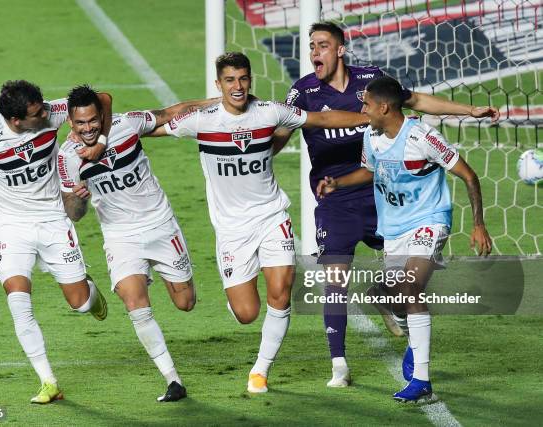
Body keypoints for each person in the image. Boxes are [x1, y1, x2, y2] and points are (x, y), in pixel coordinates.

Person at [272, 21, 500, 387]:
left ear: (341, 49)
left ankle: (405, 331)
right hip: (335, 198)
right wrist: (259, 161)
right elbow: (282, 129)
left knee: (409, 282)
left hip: (383, 196)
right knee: (335, 277)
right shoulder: (303, 91)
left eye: (323, 45)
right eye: (311, 46)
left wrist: (468, 111)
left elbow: (416, 100)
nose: (315, 52)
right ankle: (339, 365)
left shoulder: (371, 82)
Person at [150, 52, 369, 394]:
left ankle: (260, 371)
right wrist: (104, 132)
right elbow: (157, 123)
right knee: (247, 312)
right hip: (232, 229)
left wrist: (369, 118)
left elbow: (321, 120)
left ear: (250, 80)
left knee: (281, 294)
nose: (237, 87)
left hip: (271, 216)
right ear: (218, 84)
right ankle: (236, 297)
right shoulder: (203, 120)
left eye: (242, 79)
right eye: (230, 80)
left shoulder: (270, 111)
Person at [317, 75, 492, 402]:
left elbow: (468, 174)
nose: (363, 110)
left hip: (429, 219)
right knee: (401, 295)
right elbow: (371, 171)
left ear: (384, 107)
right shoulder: (372, 135)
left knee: (411, 286)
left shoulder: (423, 136)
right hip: (394, 228)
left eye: (367, 104)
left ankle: (422, 379)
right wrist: (338, 183)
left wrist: (478, 224)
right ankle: (387, 298)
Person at [0, 80, 112, 404]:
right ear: (16, 120)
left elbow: (103, 99)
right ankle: (48, 381)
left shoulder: (51, 111)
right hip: (11, 226)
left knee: (80, 303)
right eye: (37, 114)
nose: (47, 115)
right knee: (18, 303)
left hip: (52, 219)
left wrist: (98, 140)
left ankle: (91, 295)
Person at [58, 85, 216, 402]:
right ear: (71, 124)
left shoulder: (125, 125)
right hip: (121, 236)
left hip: (160, 224)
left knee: (186, 303)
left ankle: (167, 279)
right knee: (135, 304)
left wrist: (218, 103)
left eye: (92, 120)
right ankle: (173, 381)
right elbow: (73, 214)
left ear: (100, 117)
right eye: (80, 123)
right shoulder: (67, 157)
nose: (87, 128)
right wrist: (78, 197)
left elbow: (170, 113)